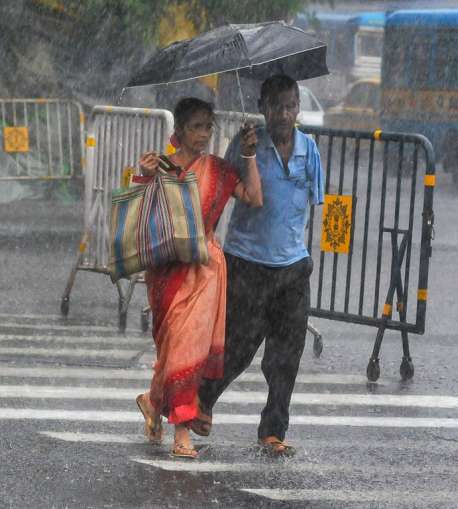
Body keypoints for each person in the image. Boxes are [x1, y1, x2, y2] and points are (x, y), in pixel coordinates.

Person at [194, 74, 325, 457]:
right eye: (276, 106)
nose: (283, 114)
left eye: (290, 106)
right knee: (238, 346)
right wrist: (248, 153)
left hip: (292, 266)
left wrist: (303, 255)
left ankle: (273, 428)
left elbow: (312, 203)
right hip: (247, 261)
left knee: (287, 355)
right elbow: (226, 192)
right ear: (263, 108)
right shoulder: (246, 144)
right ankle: (202, 401)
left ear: (297, 108)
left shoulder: (309, 150)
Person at [134, 97, 262, 459]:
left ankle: (182, 433)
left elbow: (253, 197)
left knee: (187, 350)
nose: (204, 133)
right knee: (173, 348)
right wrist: (145, 176)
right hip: (166, 271)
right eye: (196, 126)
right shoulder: (161, 166)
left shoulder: (220, 171)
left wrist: (249, 155)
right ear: (179, 131)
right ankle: (152, 400)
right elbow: (142, 217)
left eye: (208, 126)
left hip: (204, 269)